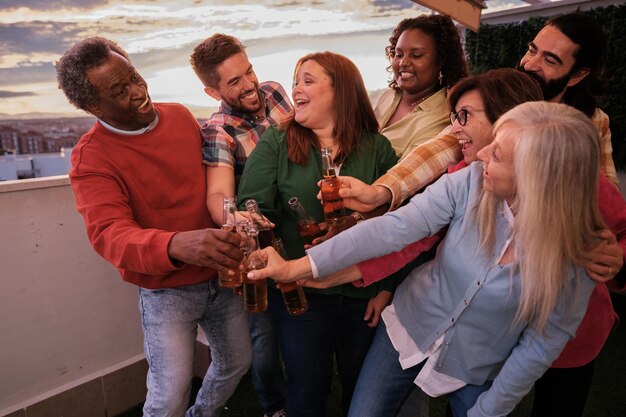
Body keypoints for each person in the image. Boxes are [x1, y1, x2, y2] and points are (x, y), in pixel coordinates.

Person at [248, 101, 604, 416]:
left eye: (497, 154)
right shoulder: (469, 182)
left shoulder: (579, 256)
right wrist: (295, 267)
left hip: (475, 364)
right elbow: (394, 228)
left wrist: (491, 409)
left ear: (537, 177)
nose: (481, 155)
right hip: (407, 326)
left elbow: (540, 345)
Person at [57, 37, 251, 417]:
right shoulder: (91, 157)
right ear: (92, 106)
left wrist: (240, 214)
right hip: (165, 294)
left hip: (223, 277)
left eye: (134, 77)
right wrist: (178, 244)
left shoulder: (179, 116)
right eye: (120, 89)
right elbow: (110, 235)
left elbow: (219, 180)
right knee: (169, 395)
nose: (138, 91)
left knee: (237, 362)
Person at [236, 52, 398, 417]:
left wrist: (386, 287)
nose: (296, 89)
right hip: (302, 291)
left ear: (341, 91)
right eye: (295, 81)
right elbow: (252, 204)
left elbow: (402, 221)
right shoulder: (278, 141)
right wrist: (261, 227)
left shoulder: (378, 148)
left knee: (360, 386)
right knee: (308, 389)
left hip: (362, 292)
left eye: (308, 80)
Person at [339, 14, 619, 214]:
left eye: (550, 60)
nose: (530, 64)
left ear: (578, 74)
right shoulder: (499, 101)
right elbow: (438, 149)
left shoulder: (593, 122)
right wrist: (382, 191)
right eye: (532, 50)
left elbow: (608, 203)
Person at [190, 33, 292, 417]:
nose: (250, 84)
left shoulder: (277, 92)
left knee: (303, 327)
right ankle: (274, 408)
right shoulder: (218, 129)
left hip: (302, 236)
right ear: (211, 89)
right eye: (234, 81)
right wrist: (234, 218)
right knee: (263, 340)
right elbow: (217, 194)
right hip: (259, 247)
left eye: (248, 71)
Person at [375, 14, 467, 160]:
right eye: (398, 54)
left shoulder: (441, 118)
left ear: (440, 61)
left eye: (416, 55)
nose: (403, 63)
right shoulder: (383, 96)